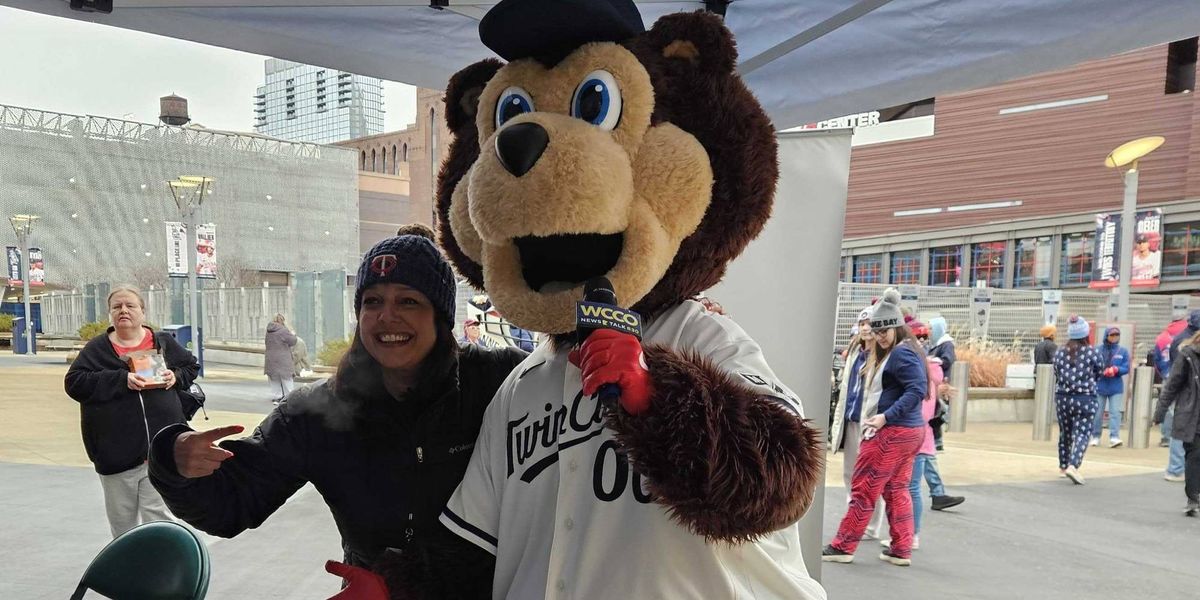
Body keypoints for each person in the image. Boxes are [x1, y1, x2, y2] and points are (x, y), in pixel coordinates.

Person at [147, 235, 528, 573]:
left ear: (441, 316)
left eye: (408, 301)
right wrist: (172, 461)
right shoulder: (315, 412)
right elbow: (231, 506)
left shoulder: (499, 380)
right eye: (372, 301)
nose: (386, 316)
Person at [65, 286, 200, 538]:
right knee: (123, 525)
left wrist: (176, 376)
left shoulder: (162, 343)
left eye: (130, 306)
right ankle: (129, 572)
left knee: (160, 519)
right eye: (117, 307)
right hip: (117, 454)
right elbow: (74, 383)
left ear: (142, 311)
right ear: (110, 314)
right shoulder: (98, 348)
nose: (123, 311)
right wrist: (120, 380)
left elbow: (191, 366)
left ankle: (162, 572)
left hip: (161, 451)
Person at [825, 288, 927, 567]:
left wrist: (886, 417)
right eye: (877, 330)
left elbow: (917, 389)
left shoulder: (899, 355)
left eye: (885, 330)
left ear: (897, 327)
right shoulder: (905, 351)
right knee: (896, 489)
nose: (880, 336)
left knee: (864, 487)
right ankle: (901, 547)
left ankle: (844, 545)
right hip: (909, 431)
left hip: (891, 432)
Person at [829, 306, 887, 540]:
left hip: (871, 423)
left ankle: (870, 526)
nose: (866, 328)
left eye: (870, 323)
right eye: (862, 323)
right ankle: (853, 518)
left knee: (870, 476)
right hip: (851, 420)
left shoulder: (884, 355)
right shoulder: (855, 352)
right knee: (849, 474)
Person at [881, 355, 943, 551]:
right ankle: (907, 535)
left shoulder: (921, 379)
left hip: (915, 440)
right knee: (908, 488)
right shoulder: (928, 378)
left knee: (910, 488)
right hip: (922, 440)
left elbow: (922, 412)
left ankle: (910, 535)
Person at [1153, 328, 1200, 517]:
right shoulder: (1187, 356)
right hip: (1192, 414)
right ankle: (1193, 497)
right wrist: (1160, 412)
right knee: (1195, 454)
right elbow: (1172, 385)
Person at [1052, 315, 1105, 485]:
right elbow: (1099, 371)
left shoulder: (1060, 352)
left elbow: (1056, 372)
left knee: (1065, 432)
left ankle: (1063, 465)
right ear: (1085, 334)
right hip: (1085, 397)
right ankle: (1073, 465)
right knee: (1083, 432)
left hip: (1063, 397)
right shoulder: (1093, 352)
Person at [1091, 327, 1130, 448]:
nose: (1114, 337)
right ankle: (1095, 436)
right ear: (1106, 336)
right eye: (1112, 335)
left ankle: (1114, 436)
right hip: (1100, 386)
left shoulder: (1122, 351)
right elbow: (1092, 365)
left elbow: (1126, 367)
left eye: (1117, 335)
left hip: (1115, 387)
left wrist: (1116, 369)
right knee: (1097, 413)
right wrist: (1102, 371)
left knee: (1115, 412)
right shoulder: (1097, 350)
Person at [927, 316, 955, 451]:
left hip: (942, 383)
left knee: (937, 411)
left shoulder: (946, 344)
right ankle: (936, 440)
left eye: (931, 328)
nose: (929, 331)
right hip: (934, 383)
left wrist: (934, 361)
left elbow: (948, 360)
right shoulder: (934, 344)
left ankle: (937, 441)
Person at [264, 313, 298, 403]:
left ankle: (277, 396)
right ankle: (288, 397)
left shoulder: (269, 331)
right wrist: (293, 334)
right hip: (283, 358)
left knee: (274, 378)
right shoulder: (283, 330)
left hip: (270, 358)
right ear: (283, 321)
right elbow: (293, 341)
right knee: (286, 378)